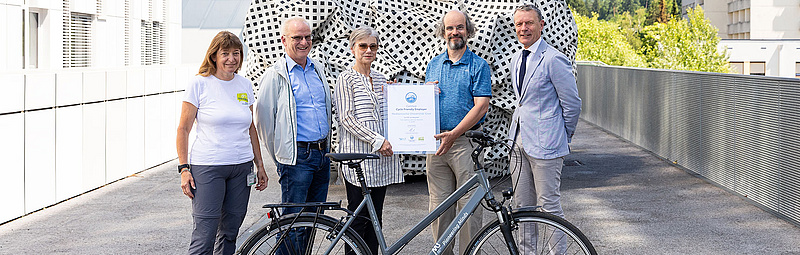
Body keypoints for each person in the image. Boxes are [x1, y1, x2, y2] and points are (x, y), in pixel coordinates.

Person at [176, 31, 269, 255]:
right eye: (225, 53)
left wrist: (260, 165)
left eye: (236, 53)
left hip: (241, 168)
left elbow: (250, 127)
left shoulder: (244, 85)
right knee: (204, 235)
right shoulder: (199, 84)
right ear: (214, 56)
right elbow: (183, 129)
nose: (231, 59)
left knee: (230, 233)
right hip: (208, 168)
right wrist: (183, 169)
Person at [253, 17, 332, 254]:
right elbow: (264, 122)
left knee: (313, 222)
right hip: (297, 158)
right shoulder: (275, 75)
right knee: (292, 224)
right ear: (284, 40)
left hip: (322, 155)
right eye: (297, 37)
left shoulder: (317, 68)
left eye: (307, 37)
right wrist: (281, 157)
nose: (304, 42)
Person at [509, 4, 582, 253]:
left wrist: (562, 136)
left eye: (529, 23)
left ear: (541, 25)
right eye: (519, 24)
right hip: (518, 144)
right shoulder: (516, 58)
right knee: (523, 209)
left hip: (547, 146)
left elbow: (572, 104)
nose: (524, 28)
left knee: (549, 208)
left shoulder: (554, 58)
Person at [425, 10, 492, 255]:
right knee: (440, 206)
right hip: (437, 143)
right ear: (443, 33)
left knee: (469, 205)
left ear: (468, 31)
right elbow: (423, 103)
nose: (455, 32)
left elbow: (481, 105)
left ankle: (469, 252)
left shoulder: (479, 65)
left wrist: (454, 133)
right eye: (450, 28)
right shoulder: (433, 64)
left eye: (460, 27)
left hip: (465, 143)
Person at [333, 26, 405, 255]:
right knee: (358, 217)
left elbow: (392, 110)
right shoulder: (345, 79)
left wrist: (418, 95)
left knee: (376, 217)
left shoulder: (381, 78)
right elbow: (346, 118)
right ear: (353, 48)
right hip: (359, 158)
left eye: (372, 46)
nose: (368, 50)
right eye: (363, 46)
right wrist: (378, 140)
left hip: (380, 159)